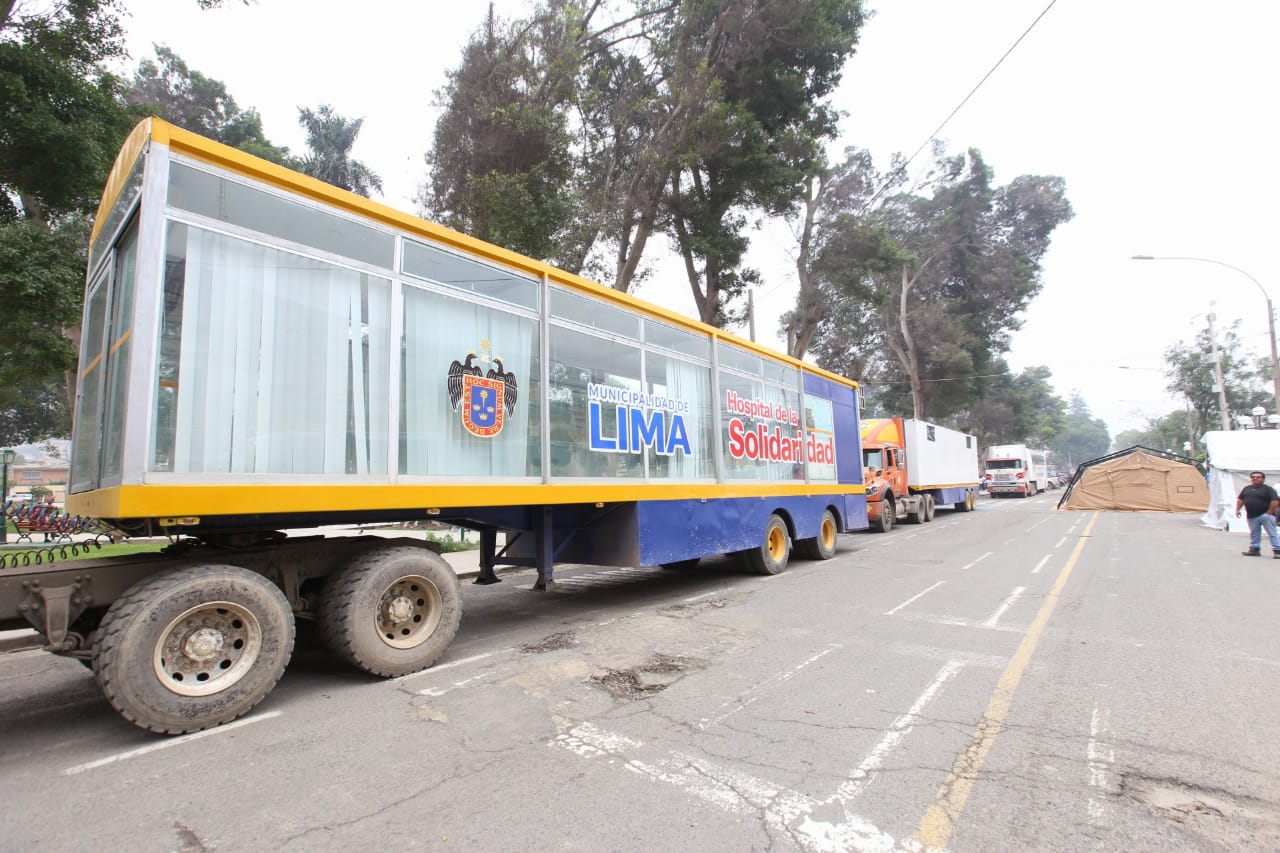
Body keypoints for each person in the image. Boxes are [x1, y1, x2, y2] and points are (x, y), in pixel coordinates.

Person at [1234, 471, 1280, 557]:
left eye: (1258, 477)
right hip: (1252, 515)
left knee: (1272, 533)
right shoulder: (1246, 488)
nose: (1255, 478)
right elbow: (1241, 499)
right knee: (1254, 533)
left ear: (1263, 479)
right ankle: (1254, 549)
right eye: (1253, 477)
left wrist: (1269, 513)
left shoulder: (1268, 489)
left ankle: (1277, 551)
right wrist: (1238, 509)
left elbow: (1275, 501)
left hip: (1266, 515)